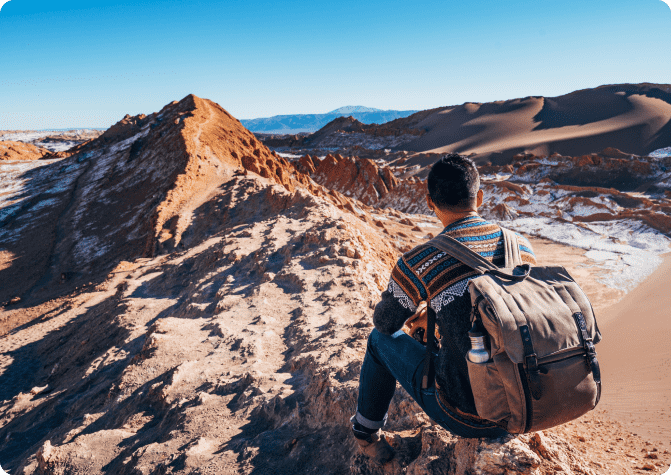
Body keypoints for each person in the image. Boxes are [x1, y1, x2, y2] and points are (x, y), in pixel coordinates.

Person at [350, 153, 537, 464]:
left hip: (467, 414)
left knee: (378, 341)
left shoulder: (422, 260)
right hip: (528, 404)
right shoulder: (521, 247)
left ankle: (365, 434)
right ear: (479, 196)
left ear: (429, 201)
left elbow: (385, 322)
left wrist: (425, 303)